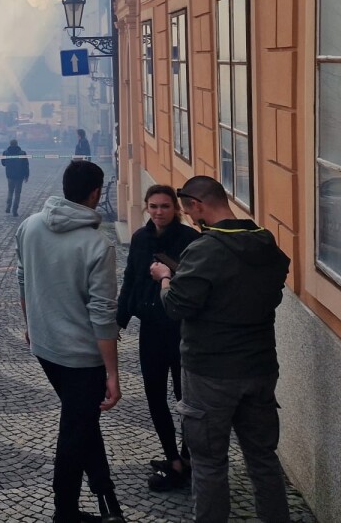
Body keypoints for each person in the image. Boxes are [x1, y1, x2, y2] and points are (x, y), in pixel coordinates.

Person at [149, 175, 291, 523]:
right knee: (263, 458)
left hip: (210, 371)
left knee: (209, 463)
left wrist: (165, 279)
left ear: (198, 205)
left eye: (188, 211)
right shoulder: (265, 241)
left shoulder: (205, 249)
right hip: (259, 367)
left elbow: (177, 306)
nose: (189, 218)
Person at [17, 160, 126, 523]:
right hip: (82, 357)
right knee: (74, 432)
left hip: (44, 346)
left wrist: (30, 325)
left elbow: (22, 279)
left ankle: (105, 493)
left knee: (82, 420)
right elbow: (102, 314)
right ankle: (65, 513)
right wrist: (113, 372)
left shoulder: (30, 226)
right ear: (95, 193)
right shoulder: (98, 245)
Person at [116, 185, 200, 491]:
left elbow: (195, 284)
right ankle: (172, 458)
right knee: (154, 394)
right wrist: (119, 320)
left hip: (180, 328)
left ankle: (188, 458)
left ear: (175, 208)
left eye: (164, 206)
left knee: (184, 396)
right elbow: (130, 278)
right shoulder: (140, 237)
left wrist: (168, 274)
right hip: (150, 327)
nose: (158, 212)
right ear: (146, 207)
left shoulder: (190, 239)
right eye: (153, 206)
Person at [0, 138, 30, 217]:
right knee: (17, 193)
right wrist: (27, 175)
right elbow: (26, 165)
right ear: (17, 144)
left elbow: (3, 163)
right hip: (20, 176)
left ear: (10, 144)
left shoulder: (5, 152)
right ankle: (15, 210)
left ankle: (8, 206)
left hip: (10, 175)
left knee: (10, 191)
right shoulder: (22, 153)